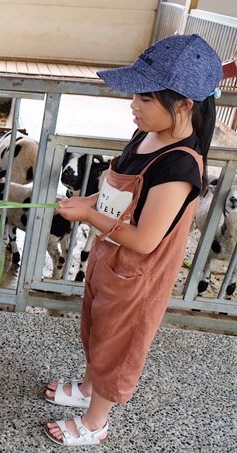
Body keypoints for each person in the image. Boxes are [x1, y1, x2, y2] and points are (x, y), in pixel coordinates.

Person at [44, 34, 223, 446]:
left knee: (118, 344)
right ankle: (88, 388)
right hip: (111, 260)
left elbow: (144, 240)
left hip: (137, 276)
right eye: (135, 96)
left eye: (145, 98)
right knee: (97, 330)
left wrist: (89, 215)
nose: (133, 106)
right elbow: (116, 196)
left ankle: (95, 422)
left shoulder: (178, 167)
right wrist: (86, 201)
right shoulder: (145, 136)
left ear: (184, 105)